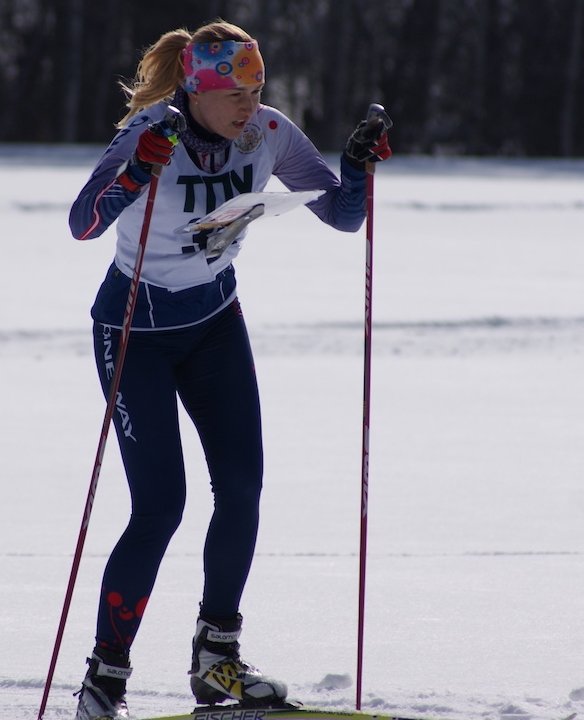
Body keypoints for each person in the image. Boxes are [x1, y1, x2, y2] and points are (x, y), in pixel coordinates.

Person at [67, 21, 391, 720]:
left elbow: (342, 215)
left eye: (257, 88)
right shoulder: (152, 131)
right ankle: (105, 679)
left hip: (214, 323)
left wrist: (356, 166)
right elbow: (83, 223)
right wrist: (135, 173)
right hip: (135, 331)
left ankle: (217, 660)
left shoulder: (267, 133)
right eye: (235, 93)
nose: (250, 104)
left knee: (242, 489)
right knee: (161, 507)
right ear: (195, 90)